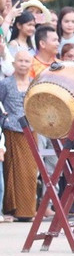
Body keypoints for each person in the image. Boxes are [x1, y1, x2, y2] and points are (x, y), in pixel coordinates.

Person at [0, 50, 40, 221]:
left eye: (26, 61)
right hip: (11, 131)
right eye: (20, 61)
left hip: (30, 131)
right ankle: (11, 210)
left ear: (31, 64)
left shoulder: (34, 84)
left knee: (30, 172)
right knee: (11, 172)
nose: (23, 64)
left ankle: (27, 211)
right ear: (13, 63)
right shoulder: (5, 84)